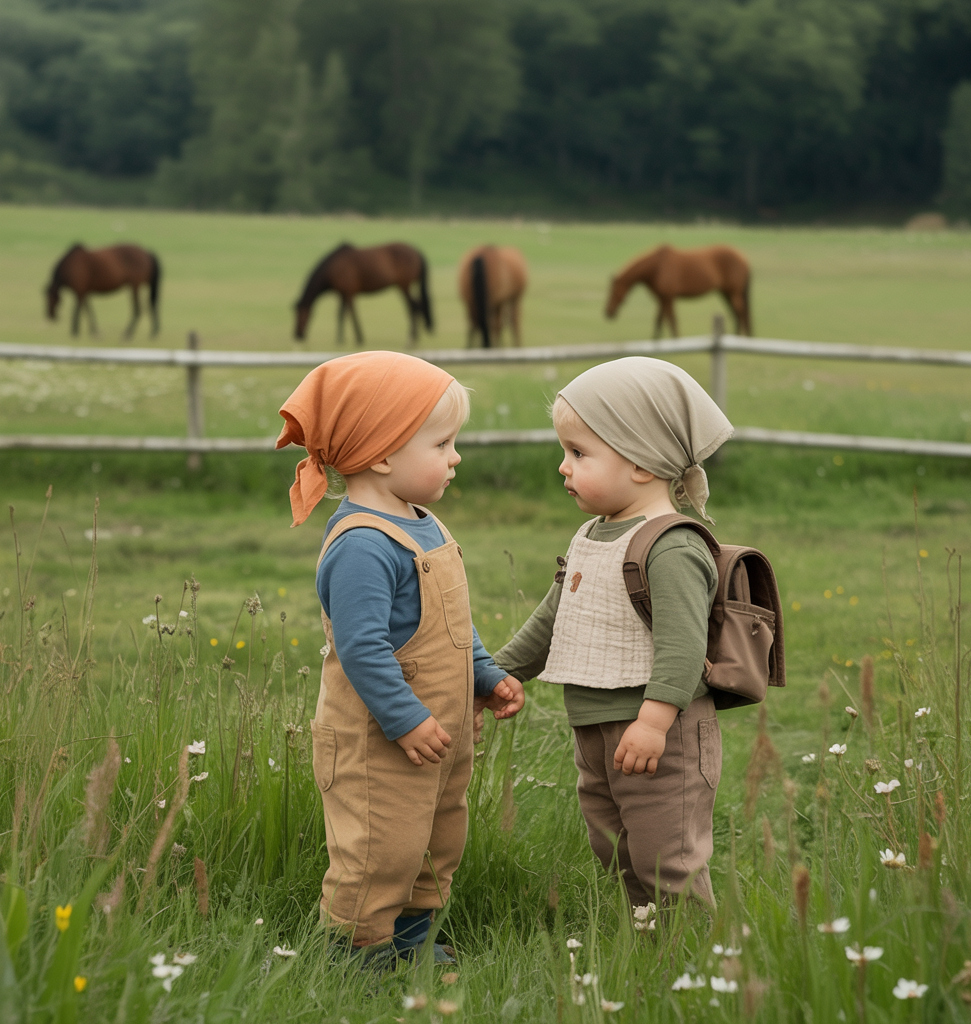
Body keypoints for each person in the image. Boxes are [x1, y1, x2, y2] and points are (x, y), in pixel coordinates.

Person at [277, 351, 525, 965]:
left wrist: (484, 673)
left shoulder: (425, 524)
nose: (455, 456)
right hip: (378, 742)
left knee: (435, 843)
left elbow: (449, 625)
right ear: (383, 454)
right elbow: (362, 648)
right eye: (442, 443)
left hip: (435, 737)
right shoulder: (363, 545)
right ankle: (351, 956)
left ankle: (409, 949)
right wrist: (405, 719)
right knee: (379, 851)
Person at [493, 356, 732, 911]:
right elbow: (556, 617)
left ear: (642, 464)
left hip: (660, 732)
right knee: (615, 843)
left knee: (664, 849)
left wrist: (653, 721)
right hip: (597, 727)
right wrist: (499, 670)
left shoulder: (671, 545)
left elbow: (682, 644)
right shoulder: (592, 535)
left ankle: (689, 956)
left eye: (579, 453)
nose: (563, 467)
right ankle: (647, 937)